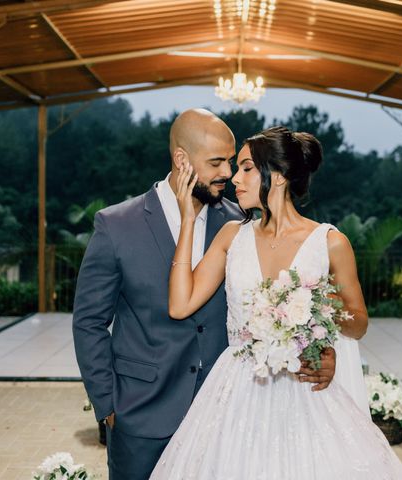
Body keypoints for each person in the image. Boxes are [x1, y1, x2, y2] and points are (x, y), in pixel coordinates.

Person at [72, 110, 336, 480]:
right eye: (217, 162)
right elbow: (88, 322)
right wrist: (108, 404)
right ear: (182, 160)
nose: (227, 174)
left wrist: (321, 351)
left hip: (227, 415)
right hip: (142, 414)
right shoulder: (116, 225)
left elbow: (287, 301)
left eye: (231, 162)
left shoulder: (242, 226)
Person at [151, 126, 402, 479]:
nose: (233, 179)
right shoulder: (232, 236)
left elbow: (359, 322)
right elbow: (180, 305)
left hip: (305, 391)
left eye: (245, 168)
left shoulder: (330, 242)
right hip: (236, 391)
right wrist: (186, 219)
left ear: (277, 176)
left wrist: (314, 310)